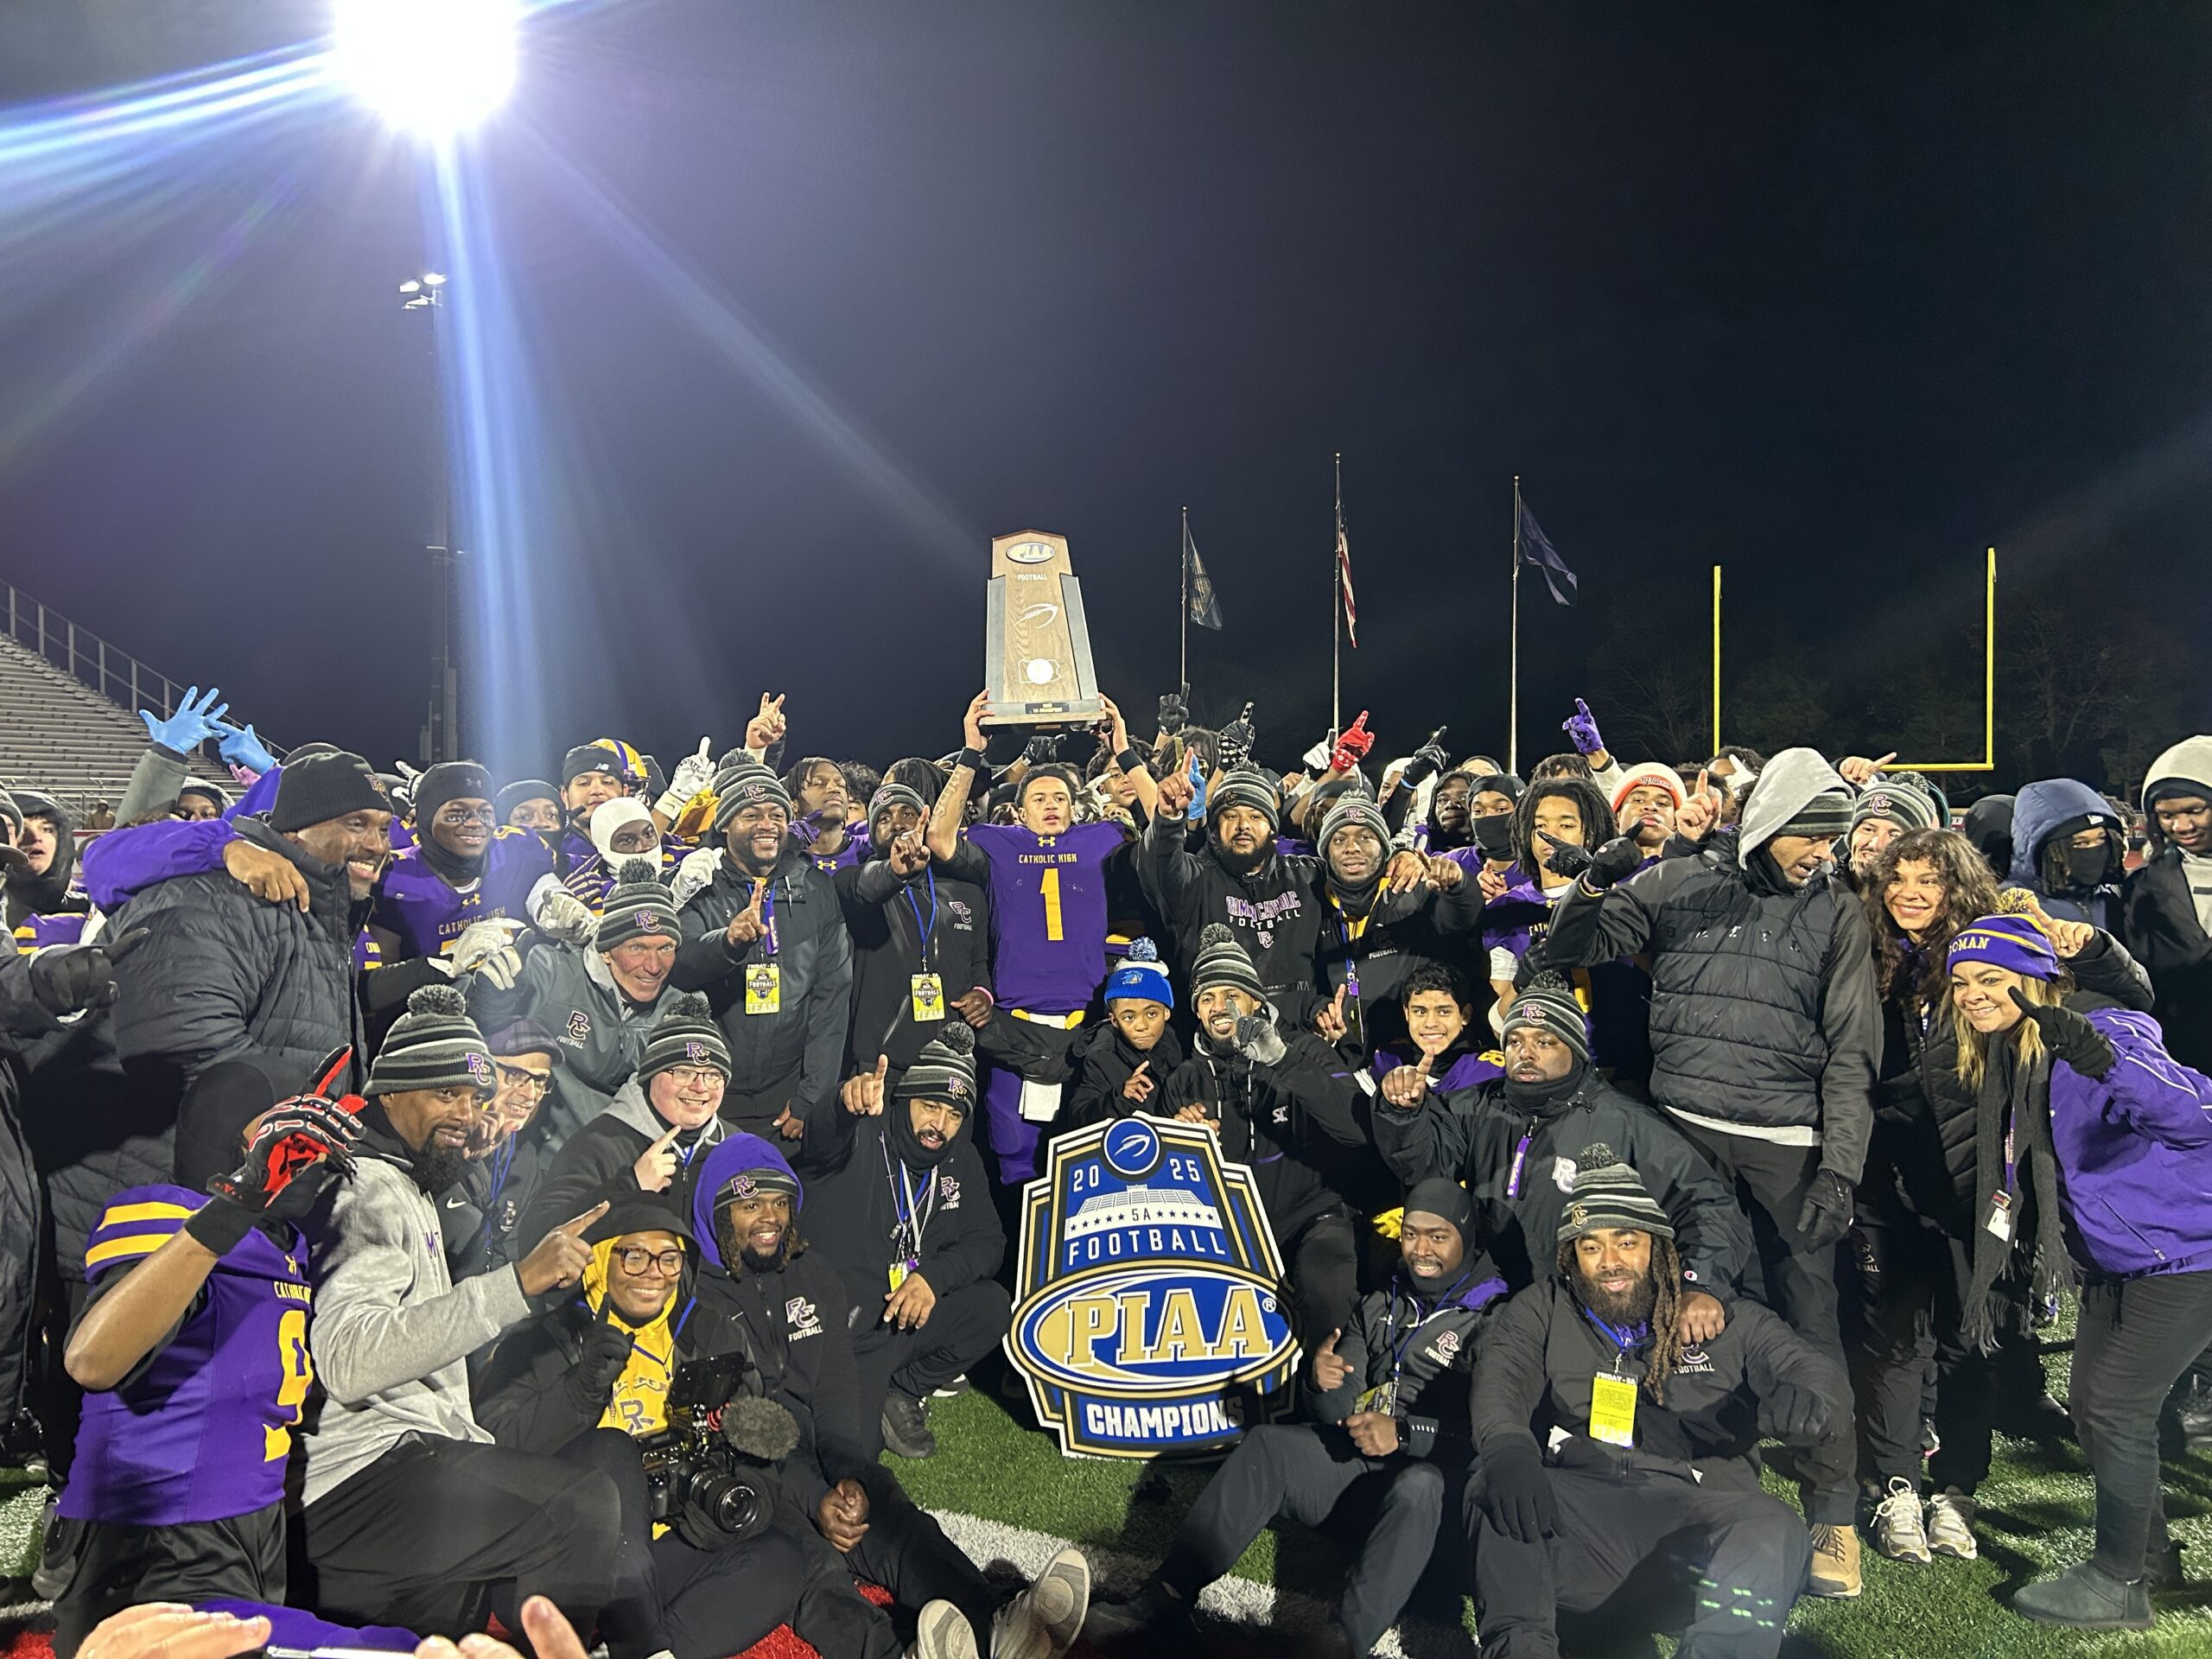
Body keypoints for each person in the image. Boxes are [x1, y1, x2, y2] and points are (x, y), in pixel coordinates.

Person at [1535, 747, 1875, 1595]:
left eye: (1832, 837)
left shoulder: (1837, 912)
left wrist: (1839, 1167)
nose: (1822, 852)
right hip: (1680, 1136)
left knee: (1809, 1322)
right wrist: (1592, 885)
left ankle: (1833, 1514)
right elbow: (1570, 946)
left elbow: (1850, 1053)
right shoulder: (1677, 881)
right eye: (1809, 835)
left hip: (1786, 1145)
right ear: (1765, 825)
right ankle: (1671, 1468)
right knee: (1657, 1306)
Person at [1851, 831, 2150, 1565]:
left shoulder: (2007, 938)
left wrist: (2091, 949)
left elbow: (2130, 995)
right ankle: (1894, 1488)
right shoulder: (1864, 947)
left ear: (1961, 885)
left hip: (1986, 1183)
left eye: (1930, 879)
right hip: (1889, 1179)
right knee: (1893, 1340)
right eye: (1899, 879)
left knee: (1970, 1341)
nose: (1911, 893)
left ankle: (1956, 1488)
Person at [293, 985, 622, 1636]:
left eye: (474, 1098)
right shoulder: (367, 1188)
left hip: (391, 1471)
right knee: (581, 1507)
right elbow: (350, 1361)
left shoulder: (407, 1181)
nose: (468, 1115)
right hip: (358, 1480)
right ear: (389, 1092)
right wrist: (518, 1284)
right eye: (446, 1095)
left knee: (433, 1638)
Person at [685, 1133, 1090, 1659]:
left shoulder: (812, 1272)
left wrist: (850, 1471)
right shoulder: (695, 1300)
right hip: (741, 1464)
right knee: (804, 1556)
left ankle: (996, 1621)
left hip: (808, 1437)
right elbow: (743, 1428)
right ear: (715, 1214)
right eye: (749, 1205)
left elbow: (834, 1388)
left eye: (780, 1202)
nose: (769, 1217)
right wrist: (815, 1499)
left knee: (887, 1505)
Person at [1089, 1180, 1507, 1658]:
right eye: (1411, 1234)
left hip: (1442, 1512)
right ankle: (1167, 1596)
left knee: (1421, 1485)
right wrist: (1322, 1383)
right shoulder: (1383, 1303)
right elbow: (1335, 1412)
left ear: (1466, 1239)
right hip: (1372, 1483)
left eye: (1439, 1236)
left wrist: (1406, 1434)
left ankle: (1340, 1645)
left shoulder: (1496, 1319)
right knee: (1270, 1446)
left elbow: (1497, 1440)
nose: (1421, 1249)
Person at [1944, 915, 2212, 1630]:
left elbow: (2196, 1118)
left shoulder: (2105, 1029)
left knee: (2115, 1410)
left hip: (2185, 1251)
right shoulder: (2008, 1053)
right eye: (1961, 982)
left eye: (1992, 979)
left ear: (2038, 979)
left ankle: (2118, 1583)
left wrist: (2101, 1061)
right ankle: (2148, 1556)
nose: (1972, 994)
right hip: (2114, 1258)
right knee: (2098, 1414)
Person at [1466, 1149, 1839, 1659]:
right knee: (1495, 1483)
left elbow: (1810, 1369)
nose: (1611, 1262)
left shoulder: (1723, 1318)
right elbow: (1501, 1377)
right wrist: (1507, 1447)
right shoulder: (1546, 1306)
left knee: (1773, 1524)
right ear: (1570, 1256)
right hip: (1586, 1517)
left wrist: (1808, 1398)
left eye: (1627, 1241)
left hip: (1692, 1530)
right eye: (1590, 1247)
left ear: (1659, 1248)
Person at [44, 1058, 360, 1656]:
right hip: (153, 1539)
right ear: (230, 1134)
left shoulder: (285, 1243)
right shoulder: (163, 1213)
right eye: (280, 1131)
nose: (298, 1152)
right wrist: (237, 1203)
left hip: (254, 1529)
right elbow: (93, 1360)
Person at [475, 1201, 817, 1659]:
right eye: (633, 1255)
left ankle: (635, 1651)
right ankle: (643, 1643)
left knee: (781, 1560)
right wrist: (578, 1392)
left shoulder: (713, 1336)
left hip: (661, 1552)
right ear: (600, 1258)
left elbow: (757, 1471)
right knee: (613, 1451)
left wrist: (709, 1503)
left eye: (669, 1257)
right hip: (555, 1564)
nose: (653, 1272)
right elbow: (493, 1454)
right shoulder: (540, 1339)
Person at [1372, 976, 1751, 1311]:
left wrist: (1699, 1283)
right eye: (1515, 1040)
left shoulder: (1625, 1123)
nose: (1526, 1052)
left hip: (1584, 1308)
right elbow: (1424, 1168)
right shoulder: (1476, 1105)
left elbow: (1708, 1204)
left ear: (1574, 1050)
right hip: (1489, 1298)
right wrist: (1404, 1113)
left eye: (1545, 1041)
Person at [925, 692, 1152, 1185]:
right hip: (1013, 1025)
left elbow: (1168, 823)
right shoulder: (999, 842)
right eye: (1038, 798)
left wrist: (1123, 751)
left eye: (1061, 798)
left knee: (1091, 1163)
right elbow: (940, 840)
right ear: (1019, 812)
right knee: (1014, 1162)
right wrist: (971, 752)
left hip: (1087, 1026)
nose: (1051, 805)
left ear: (1076, 809)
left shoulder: (1101, 838)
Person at [108, 750, 392, 1103]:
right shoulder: (224, 896)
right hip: (202, 1152)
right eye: (356, 824)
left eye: (384, 828)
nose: (377, 846)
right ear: (294, 831)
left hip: (279, 1149)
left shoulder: (323, 909)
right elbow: (180, 1039)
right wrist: (292, 1119)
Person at [1160, 925, 1375, 1342]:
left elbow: (1357, 1130)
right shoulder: (1184, 1079)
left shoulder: (1306, 1050)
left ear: (1256, 1001)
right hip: (1225, 1233)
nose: (1219, 1008)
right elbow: (1167, 1191)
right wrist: (1180, 1143)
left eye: (1231, 996)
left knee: (1325, 1290)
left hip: (1312, 1218)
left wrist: (1283, 1060)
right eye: (1207, 999)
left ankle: (1329, 1399)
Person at [811, 1024, 1009, 1459]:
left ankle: (901, 1391)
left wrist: (933, 1278)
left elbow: (989, 1241)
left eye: (954, 1115)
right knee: (852, 1457)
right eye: (930, 1106)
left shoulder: (961, 1158)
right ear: (905, 1098)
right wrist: (842, 1104)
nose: (939, 1125)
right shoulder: (864, 1134)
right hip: (845, 1329)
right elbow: (821, 1141)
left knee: (991, 1306)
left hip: (902, 1318)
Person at [672, 764, 853, 1141]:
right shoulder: (699, 882)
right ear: (724, 825)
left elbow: (830, 998)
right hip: (707, 1091)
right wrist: (727, 943)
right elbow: (678, 966)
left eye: (777, 815)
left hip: (785, 1098)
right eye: (750, 815)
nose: (766, 824)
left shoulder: (816, 888)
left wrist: (813, 1094)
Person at [467, 860, 685, 1148]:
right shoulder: (549, 972)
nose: (654, 966)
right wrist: (488, 1002)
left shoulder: (678, 1008)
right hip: (536, 1154)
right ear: (606, 950)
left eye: (665, 948)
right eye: (637, 948)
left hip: (625, 1160)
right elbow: (481, 1034)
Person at [518, 994, 734, 1255]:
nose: (700, 1088)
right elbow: (535, 1240)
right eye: (683, 1072)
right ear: (651, 1074)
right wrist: (630, 1185)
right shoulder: (600, 1143)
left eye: (713, 1075)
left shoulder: (736, 1147)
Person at [832, 782, 990, 1083]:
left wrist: (983, 994)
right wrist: (893, 872)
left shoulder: (967, 893)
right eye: (883, 818)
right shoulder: (852, 883)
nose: (897, 823)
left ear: (925, 822)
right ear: (871, 833)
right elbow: (866, 885)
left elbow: (978, 963)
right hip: (879, 1066)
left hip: (951, 1061)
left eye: (907, 812)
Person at [367, 761, 556, 967]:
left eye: (485, 813)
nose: (475, 823)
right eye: (456, 814)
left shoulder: (516, 849)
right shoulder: (394, 877)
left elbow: (547, 890)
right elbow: (385, 978)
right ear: (426, 819)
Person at [442, 1019, 567, 1281]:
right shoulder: (440, 1140)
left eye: (541, 1081)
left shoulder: (525, 1157)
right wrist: (460, 1163)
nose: (531, 1094)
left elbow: (509, 1256)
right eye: (517, 1076)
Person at [1058, 938, 1185, 1129]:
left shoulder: (1181, 1047)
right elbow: (1078, 1116)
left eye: (1151, 1014)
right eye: (1128, 1017)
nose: (1141, 1026)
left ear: (1167, 1012)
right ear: (1114, 1020)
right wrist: (1120, 1098)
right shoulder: (1102, 1057)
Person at [2004, 778, 2127, 931]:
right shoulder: (2014, 908)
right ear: (2050, 851)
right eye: (2081, 843)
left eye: (2101, 839)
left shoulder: (2115, 897)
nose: (2094, 850)